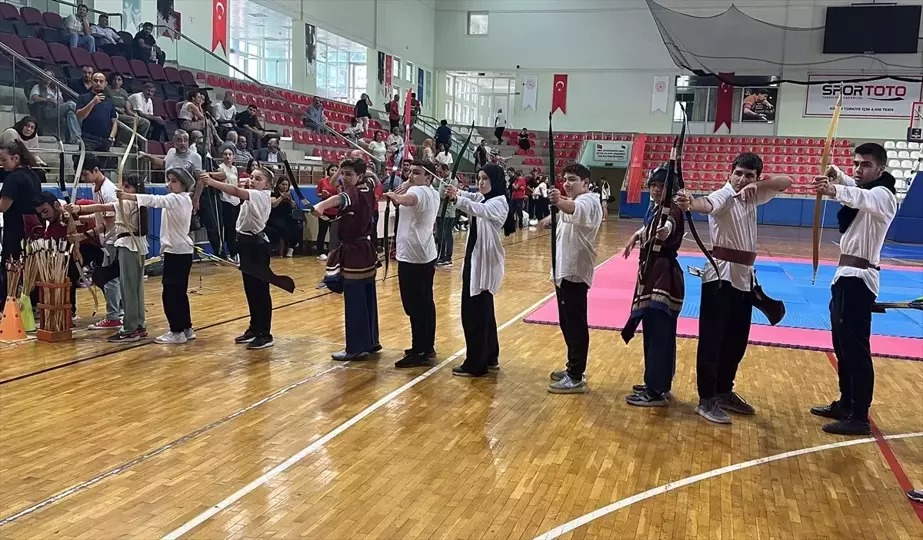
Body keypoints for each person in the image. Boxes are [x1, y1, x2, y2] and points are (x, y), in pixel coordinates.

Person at [675, 153, 792, 423]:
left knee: (736, 340)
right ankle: (706, 399)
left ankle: (723, 391)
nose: (741, 179)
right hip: (720, 276)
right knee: (713, 340)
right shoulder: (723, 196)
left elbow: (787, 180)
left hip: (744, 277)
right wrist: (690, 202)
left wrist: (758, 187)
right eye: (738, 173)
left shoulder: (752, 195)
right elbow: (706, 204)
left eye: (748, 175)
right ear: (730, 173)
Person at [809, 143, 897, 436]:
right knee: (842, 346)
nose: (859, 169)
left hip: (859, 280)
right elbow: (857, 189)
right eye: (856, 164)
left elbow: (862, 196)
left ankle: (859, 415)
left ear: (880, 169)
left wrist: (834, 188)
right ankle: (846, 402)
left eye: (866, 165)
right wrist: (838, 175)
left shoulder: (884, 196)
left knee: (856, 349)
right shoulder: (870, 191)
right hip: (846, 277)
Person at [620, 167, 686, 406]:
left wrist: (664, 232)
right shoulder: (656, 208)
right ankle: (657, 382)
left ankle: (656, 389)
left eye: (662, 186)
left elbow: (667, 225)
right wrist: (636, 236)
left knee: (659, 333)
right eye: (654, 185)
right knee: (655, 332)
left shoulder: (674, 209)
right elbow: (651, 225)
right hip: (653, 275)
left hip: (662, 279)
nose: (657, 190)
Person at [444, 164, 516, 377]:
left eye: (485, 178)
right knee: (484, 312)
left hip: (484, 263)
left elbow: (479, 209)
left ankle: (476, 363)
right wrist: (456, 191)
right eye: (479, 178)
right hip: (476, 260)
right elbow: (472, 198)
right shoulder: (485, 197)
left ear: (495, 180)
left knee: (474, 314)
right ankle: (490, 355)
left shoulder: (498, 202)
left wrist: (457, 198)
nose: (481, 182)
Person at [201, 166, 279, 350]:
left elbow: (235, 191)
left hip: (256, 247)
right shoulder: (251, 194)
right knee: (251, 290)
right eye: (252, 177)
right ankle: (254, 327)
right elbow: (236, 192)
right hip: (245, 244)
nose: (252, 180)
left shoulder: (261, 195)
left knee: (260, 291)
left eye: (258, 179)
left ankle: (265, 334)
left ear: (268, 184)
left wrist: (211, 182)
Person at [542, 164, 603, 393]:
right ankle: (573, 366)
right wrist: (550, 216)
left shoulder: (589, 201)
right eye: (565, 179)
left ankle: (576, 375)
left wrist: (558, 200)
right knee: (567, 322)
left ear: (585, 183)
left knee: (575, 324)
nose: (567, 183)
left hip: (575, 272)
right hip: (564, 272)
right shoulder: (574, 201)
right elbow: (566, 211)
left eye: (573, 179)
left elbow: (573, 208)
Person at [311, 158, 380, 360]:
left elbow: (340, 198)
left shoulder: (355, 191)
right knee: (367, 297)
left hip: (355, 252)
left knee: (355, 299)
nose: (344, 177)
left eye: (349, 174)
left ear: (359, 176)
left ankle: (356, 348)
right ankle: (370, 341)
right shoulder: (367, 186)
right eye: (343, 173)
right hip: (365, 249)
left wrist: (322, 205)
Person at [119, 166, 195, 344]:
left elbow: (154, 200)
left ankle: (176, 332)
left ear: (183, 184)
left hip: (176, 252)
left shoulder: (177, 199)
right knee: (179, 293)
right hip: (182, 251)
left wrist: (128, 196)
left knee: (170, 294)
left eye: (174, 181)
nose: (169, 184)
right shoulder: (184, 199)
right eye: (168, 180)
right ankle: (186, 328)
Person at [68, 174, 148, 342]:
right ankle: (138, 325)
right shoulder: (137, 202)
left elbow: (102, 207)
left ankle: (130, 328)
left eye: (127, 187)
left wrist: (79, 209)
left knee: (129, 288)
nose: (122, 190)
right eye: (122, 186)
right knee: (135, 288)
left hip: (129, 246)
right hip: (136, 245)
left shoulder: (127, 202)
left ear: (135, 190)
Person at [384, 160, 440, 368]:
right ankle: (427, 346)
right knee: (425, 303)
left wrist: (396, 196)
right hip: (423, 254)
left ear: (429, 178)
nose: (411, 176)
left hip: (414, 257)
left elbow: (409, 200)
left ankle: (420, 351)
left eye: (417, 173)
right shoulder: (432, 191)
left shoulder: (422, 192)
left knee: (415, 304)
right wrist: (408, 183)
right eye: (411, 173)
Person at [74, 156, 122, 330]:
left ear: (96, 170)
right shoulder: (97, 188)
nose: (84, 178)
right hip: (108, 239)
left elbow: (108, 222)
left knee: (109, 279)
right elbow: (98, 215)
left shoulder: (108, 190)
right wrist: (82, 217)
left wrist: (85, 235)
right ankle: (117, 312)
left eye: (86, 174)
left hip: (113, 238)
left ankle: (114, 316)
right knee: (110, 278)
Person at [0, 141, 41, 299]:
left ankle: (6, 303)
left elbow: (3, 206)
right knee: (30, 266)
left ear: (16, 158)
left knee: (10, 266)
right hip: (33, 229)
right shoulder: (33, 175)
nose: (1, 164)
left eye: (4, 160)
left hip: (16, 229)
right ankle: (33, 303)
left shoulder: (13, 179)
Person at [201, 147, 240, 262]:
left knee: (234, 229)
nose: (227, 156)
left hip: (235, 201)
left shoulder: (235, 169)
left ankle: (234, 252)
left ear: (233, 156)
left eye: (230, 154)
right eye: (225, 154)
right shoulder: (220, 168)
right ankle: (228, 252)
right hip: (225, 200)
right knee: (226, 228)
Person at [75, 72, 118, 155]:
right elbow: (79, 115)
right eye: (96, 81)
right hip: (88, 138)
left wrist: (111, 137)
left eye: (101, 81)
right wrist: (93, 102)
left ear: (105, 84)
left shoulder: (109, 101)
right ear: (91, 82)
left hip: (105, 140)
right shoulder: (83, 97)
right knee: (86, 165)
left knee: (103, 167)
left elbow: (114, 122)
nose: (98, 83)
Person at [106, 73, 150, 145]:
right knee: (132, 121)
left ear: (122, 82)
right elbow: (105, 103)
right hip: (112, 113)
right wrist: (115, 108)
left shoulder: (124, 92)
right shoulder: (107, 89)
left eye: (119, 80)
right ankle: (123, 142)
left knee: (145, 122)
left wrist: (134, 114)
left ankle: (138, 142)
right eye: (114, 79)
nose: (116, 81)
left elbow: (127, 109)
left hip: (123, 114)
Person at [267, 176, 303, 258]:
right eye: (283, 184)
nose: (285, 187)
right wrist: (281, 197)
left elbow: (294, 206)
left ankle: (291, 248)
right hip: (276, 216)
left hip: (288, 216)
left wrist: (290, 200)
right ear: (278, 184)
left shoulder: (290, 193)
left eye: (287, 185)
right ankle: (292, 242)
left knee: (298, 227)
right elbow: (273, 205)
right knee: (282, 227)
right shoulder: (274, 193)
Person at [432, 164, 458, 268]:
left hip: (447, 213)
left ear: (446, 170)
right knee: (440, 235)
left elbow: (444, 195)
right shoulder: (443, 180)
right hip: (440, 212)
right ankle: (441, 255)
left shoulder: (452, 180)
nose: (440, 174)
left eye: (441, 172)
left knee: (446, 235)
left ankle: (447, 257)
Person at [315, 163, 339, 260]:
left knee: (334, 233)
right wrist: (323, 194)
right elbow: (318, 194)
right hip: (324, 211)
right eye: (332, 170)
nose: (333, 172)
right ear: (328, 171)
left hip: (336, 211)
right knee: (322, 231)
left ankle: (333, 252)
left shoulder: (339, 182)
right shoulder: (322, 181)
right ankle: (320, 252)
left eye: (335, 170)